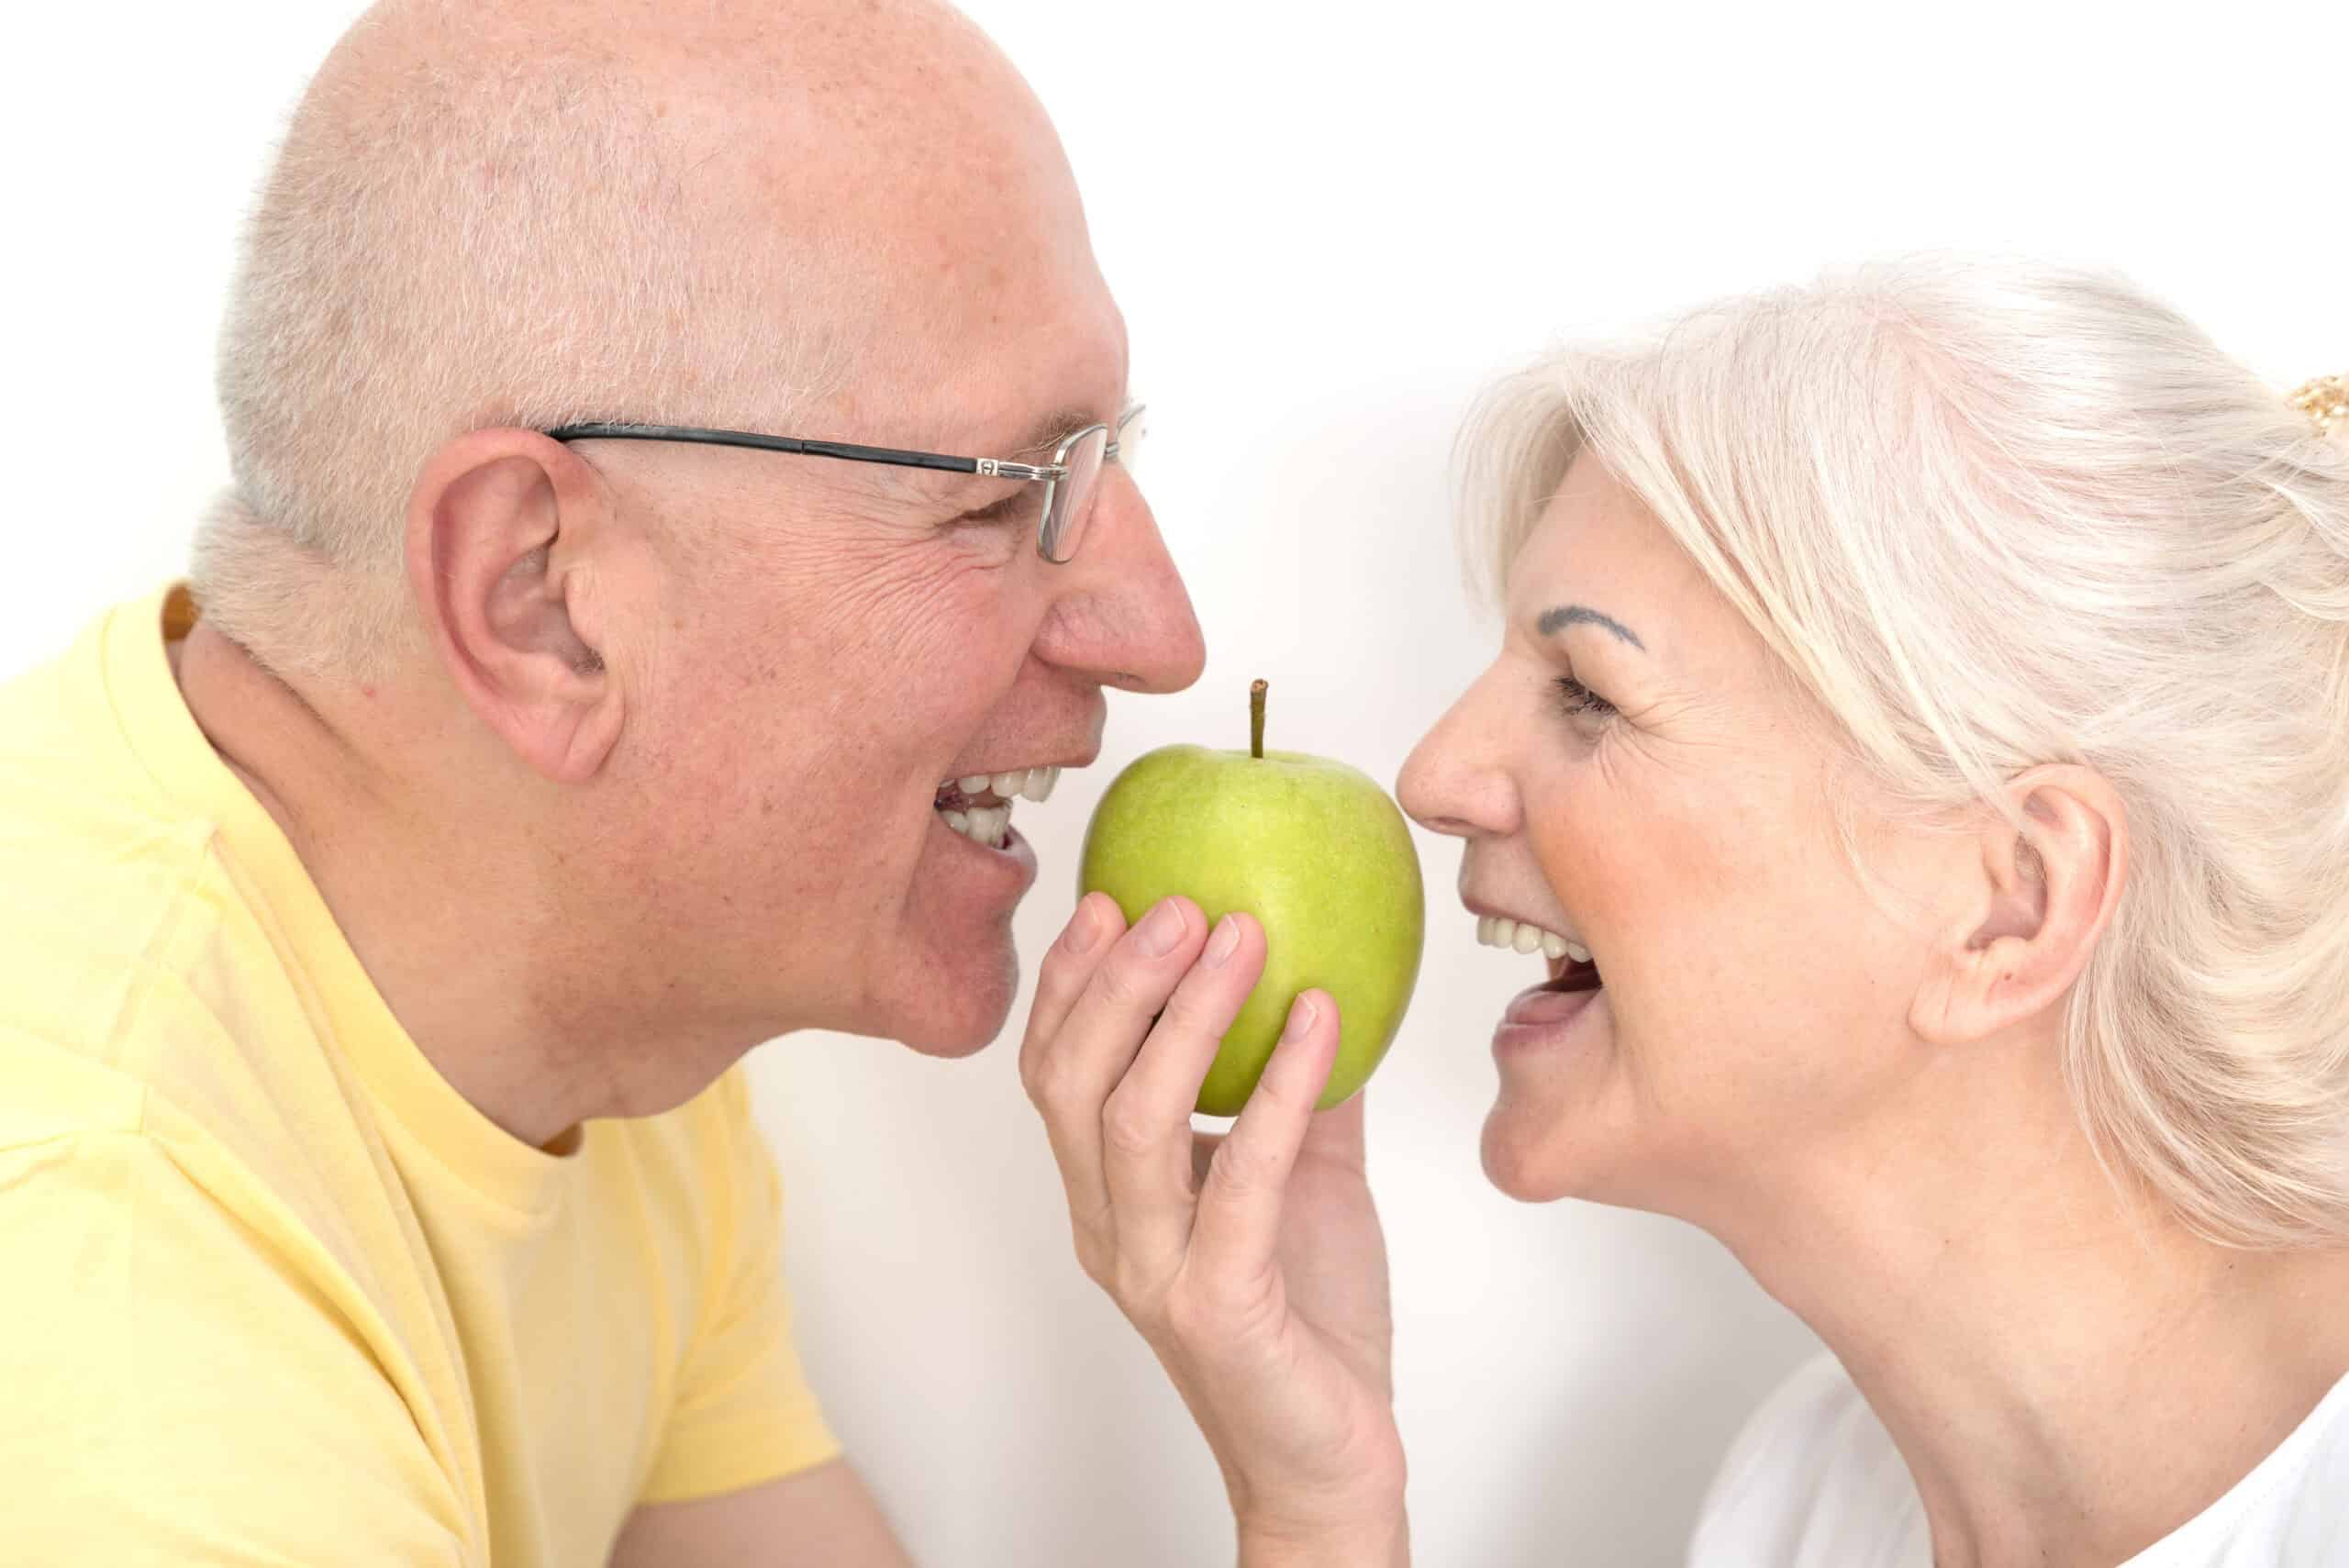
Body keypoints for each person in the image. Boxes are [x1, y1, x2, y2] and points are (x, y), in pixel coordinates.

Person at [0, 1, 1203, 1563]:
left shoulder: (596, 1002)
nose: (1162, 637)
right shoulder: (119, 1290)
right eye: (1006, 503)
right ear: (541, 600)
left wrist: (1312, 1479)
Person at [1022, 260, 2349, 1566]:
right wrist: (1315, 1510)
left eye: (1588, 691)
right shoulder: (1800, 1507)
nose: (1430, 778)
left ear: (2011, 901)